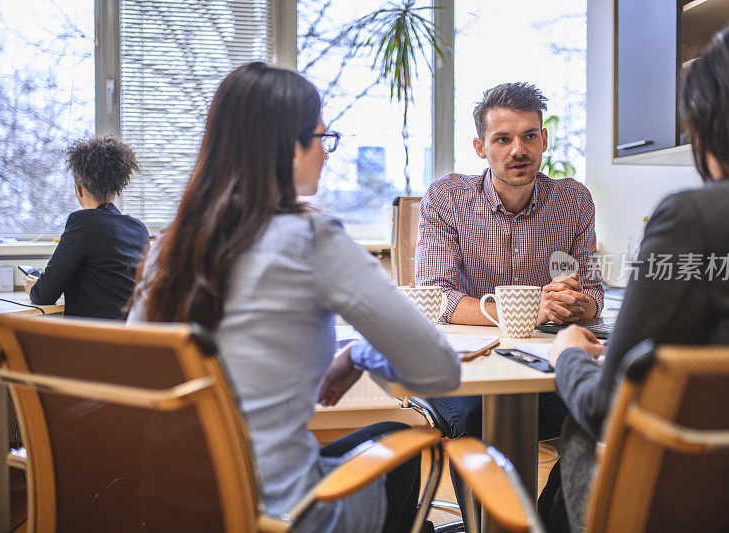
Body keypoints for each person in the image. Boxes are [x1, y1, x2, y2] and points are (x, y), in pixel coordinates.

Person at [127, 61, 460, 533]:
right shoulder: (310, 238)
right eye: (322, 140)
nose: (327, 155)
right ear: (289, 147)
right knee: (400, 447)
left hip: (172, 507)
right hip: (279, 517)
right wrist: (360, 355)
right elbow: (439, 369)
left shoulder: (166, 249)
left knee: (381, 436)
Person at [546, 9, 729, 531]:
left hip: (696, 508)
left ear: (721, 123)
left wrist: (568, 356)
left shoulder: (697, 219)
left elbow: (607, 407)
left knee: (580, 428)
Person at [415, 82, 603, 442]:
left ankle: (547, 503)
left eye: (529, 136)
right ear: (480, 148)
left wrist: (574, 303)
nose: (519, 150)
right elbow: (436, 296)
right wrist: (531, 310)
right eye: (502, 139)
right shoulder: (446, 198)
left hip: (540, 360)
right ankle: (493, 502)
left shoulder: (574, 200)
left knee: (591, 414)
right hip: (463, 366)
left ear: (544, 139)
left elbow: (593, 290)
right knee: (476, 420)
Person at [25, 136, 149, 318]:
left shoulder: (83, 223)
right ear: (118, 188)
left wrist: (32, 288)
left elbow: (43, 295)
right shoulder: (139, 229)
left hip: (93, 342)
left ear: (79, 189)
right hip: (131, 340)